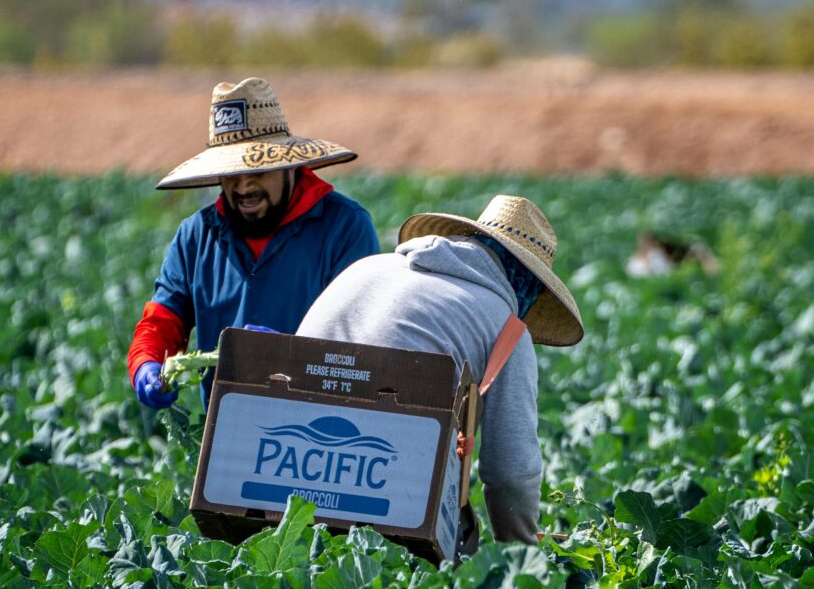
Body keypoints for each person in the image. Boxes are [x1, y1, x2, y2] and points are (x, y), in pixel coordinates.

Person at [297, 195, 584, 545]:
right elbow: (511, 471)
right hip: (390, 489)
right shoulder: (506, 328)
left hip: (293, 465)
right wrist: (520, 550)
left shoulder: (365, 268)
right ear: (525, 281)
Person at [126, 78, 378, 411]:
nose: (244, 185)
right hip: (225, 433)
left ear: (289, 164)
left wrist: (290, 357)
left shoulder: (344, 227)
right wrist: (146, 363)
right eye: (231, 173)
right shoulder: (196, 237)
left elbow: (366, 346)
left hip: (320, 429)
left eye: (257, 170)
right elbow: (161, 323)